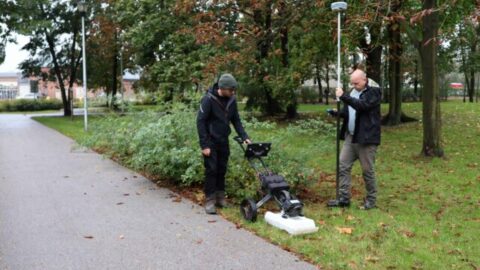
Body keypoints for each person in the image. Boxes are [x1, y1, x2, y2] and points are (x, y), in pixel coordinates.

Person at [196, 73, 251, 214]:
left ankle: (220, 198)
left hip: (223, 140)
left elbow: (236, 120)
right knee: (211, 170)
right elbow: (200, 122)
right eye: (231, 90)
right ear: (222, 88)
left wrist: (244, 136)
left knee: (222, 169)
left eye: (234, 90)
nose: (233, 92)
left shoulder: (231, 100)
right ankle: (209, 200)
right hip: (210, 141)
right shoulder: (208, 99)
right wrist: (204, 145)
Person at [327, 69, 382, 210]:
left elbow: (362, 106)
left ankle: (371, 200)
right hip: (351, 136)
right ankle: (344, 198)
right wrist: (336, 113)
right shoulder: (352, 92)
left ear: (365, 80)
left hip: (366, 138)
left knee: (367, 170)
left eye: (356, 83)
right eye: (352, 83)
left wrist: (344, 96)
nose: (354, 86)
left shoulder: (374, 92)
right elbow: (348, 112)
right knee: (343, 166)